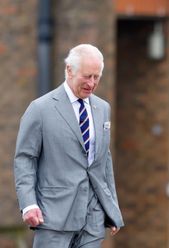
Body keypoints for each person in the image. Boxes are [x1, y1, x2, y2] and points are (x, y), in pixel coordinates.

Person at [14, 44, 124, 247]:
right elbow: (25, 159)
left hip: (93, 218)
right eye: (87, 76)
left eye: (96, 77)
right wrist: (28, 204)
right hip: (53, 215)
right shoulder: (40, 109)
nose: (92, 83)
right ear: (69, 70)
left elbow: (103, 161)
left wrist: (112, 207)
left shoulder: (102, 108)